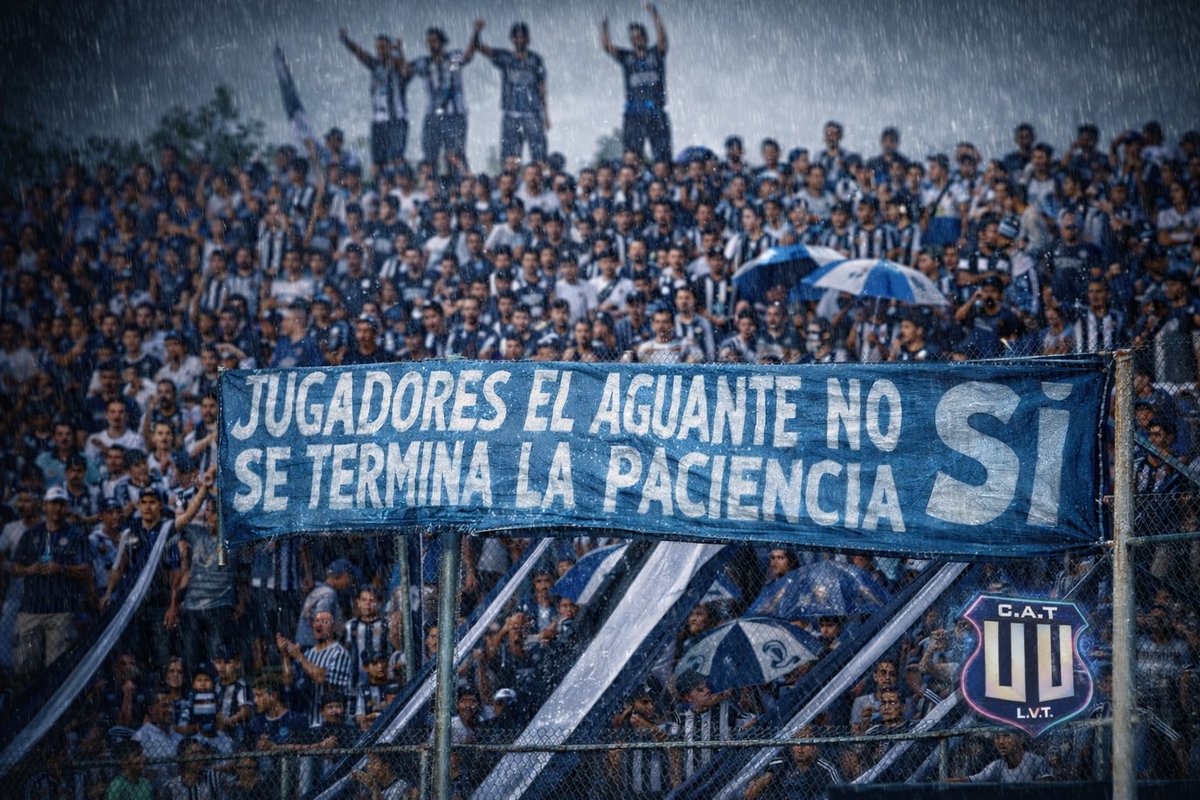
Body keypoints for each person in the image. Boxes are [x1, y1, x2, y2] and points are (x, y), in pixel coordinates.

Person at [10, 486, 93, 680]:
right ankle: (27, 699)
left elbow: (86, 570)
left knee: (57, 669)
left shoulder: (76, 536)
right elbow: (14, 567)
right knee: (24, 667)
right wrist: (28, 570)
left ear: (67, 507)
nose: (57, 508)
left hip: (61, 611)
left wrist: (61, 568)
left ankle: (55, 700)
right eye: (53, 503)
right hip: (31, 609)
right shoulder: (31, 535)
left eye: (61, 504)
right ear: (44, 506)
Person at [470, 19, 549, 163]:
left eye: (522, 37)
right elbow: (479, 47)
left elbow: (542, 88)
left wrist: (545, 115)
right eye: (517, 37)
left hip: (532, 114)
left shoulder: (535, 60)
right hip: (511, 115)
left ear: (528, 39)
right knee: (510, 160)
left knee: (539, 157)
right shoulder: (505, 57)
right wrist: (477, 32)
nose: (520, 40)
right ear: (512, 39)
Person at [601, 4, 671, 164]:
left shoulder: (656, 54)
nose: (636, 40)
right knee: (631, 157)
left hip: (656, 111)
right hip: (634, 113)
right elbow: (607, 46)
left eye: (639, 36)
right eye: (633, 38)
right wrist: (605, 24)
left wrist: (654, 14)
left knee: (663, 158)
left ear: (645, 37)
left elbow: (663, 39)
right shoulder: (627, 57)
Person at [338, 29, 411, 174]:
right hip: (378, 121)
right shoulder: (375, 65)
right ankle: (382, 184)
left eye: (383, 47)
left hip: (396, 121)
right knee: (377, 163)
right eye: (377, 47)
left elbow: (404, 68)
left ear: (389, 49)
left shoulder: (397, 68)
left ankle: (401, 181)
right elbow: (360, 53)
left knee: (396, 159)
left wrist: (399, 50)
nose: (379, 51)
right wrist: (346, 40)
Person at [406, 27, 474, 173]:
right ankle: (434, 185)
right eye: (429, 41)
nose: (431, 44)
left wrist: (475, 33)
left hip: (455, 115)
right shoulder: (424, 63)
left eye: (434, 41)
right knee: (430, 157)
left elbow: (468, 57)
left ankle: (460, 183)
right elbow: (405, 70)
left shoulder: (453, 58)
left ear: (442, 42)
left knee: (454, 156)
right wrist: (398, 51)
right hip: (433, 116)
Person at [744, 725, 841, 800]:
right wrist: (764, 781)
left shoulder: (826, 769)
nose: (800, 749)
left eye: (804, 744)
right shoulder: (781, 763)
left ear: (814, 747)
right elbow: (750, 793)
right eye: (796, 744)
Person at [953, 730, 1054, 782]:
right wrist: (944, 783)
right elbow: (971, 780)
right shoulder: (998, 766)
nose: (1000, 742)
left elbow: (1045, 791)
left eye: (1006, 736)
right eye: (997, 737)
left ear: (1021, 738)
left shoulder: (1036, 761)